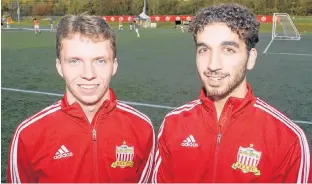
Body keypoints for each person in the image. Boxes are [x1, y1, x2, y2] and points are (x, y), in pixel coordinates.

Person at [152, 3, 311, 183]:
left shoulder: (287, 138)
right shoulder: (173, 124)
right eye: (204, 50)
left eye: (228, 50)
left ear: (250, 59)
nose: (213, 65)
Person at [7, 14, 155, 183]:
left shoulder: (142, 128)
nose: (88, 74)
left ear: (114, 66)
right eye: (75, 61)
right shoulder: (28, 136)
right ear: (59, 67)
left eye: (100, 61)